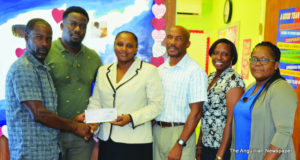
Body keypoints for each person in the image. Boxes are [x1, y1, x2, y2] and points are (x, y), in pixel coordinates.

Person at [5, 18, 92, 160]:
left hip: (48, 151)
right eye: (39, 38)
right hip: (31, 154)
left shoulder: (42, 69)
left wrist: (73, 121)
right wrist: (75, 127)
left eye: (48, 39)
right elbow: (39, 113)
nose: (44, 44)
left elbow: (48, 113)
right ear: (27, 37)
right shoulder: (24, 68)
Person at [85, 31, 163, 160]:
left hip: (135, 142)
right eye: (120, 44)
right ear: (114, 46)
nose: (124, 49)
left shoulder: (149, 71)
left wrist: (131, 118)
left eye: (129, 46)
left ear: (136, 49)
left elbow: (156, 106)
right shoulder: (103, 71)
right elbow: (96, 101)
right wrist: (93, 121)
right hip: (107, 139)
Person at [45, 6, 102, 160]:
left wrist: (97, 119)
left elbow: (102, 93)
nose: (77, 29)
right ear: (62, 26)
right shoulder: (45, 53)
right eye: (72, 24)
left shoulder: (93, 58)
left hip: (82, 136)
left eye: (82, 26)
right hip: (51, 133)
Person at [231, 41, 298, 160]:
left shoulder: (281, 89)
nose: (257, 64)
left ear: (276, 64)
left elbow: (283, 132)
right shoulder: (250, 87)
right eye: (254, 59)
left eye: (264, 60)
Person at [153, 25, 208, 160]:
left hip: (180, 134)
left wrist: (180, 144)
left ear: (187, 44)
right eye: (170, 37)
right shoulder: (160, 70)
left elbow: (196, 113)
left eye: (178, 39)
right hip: (157, 131)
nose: (172, 42)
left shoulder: (195, 72)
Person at [196, 39, 245, 160]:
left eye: (224, 54)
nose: (219, 57)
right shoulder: (211, 77)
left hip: (222, 148)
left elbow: (231, 121)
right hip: (207, 144)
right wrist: (199, 144)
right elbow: (206, 114)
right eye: (216, 53)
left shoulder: (233, 80)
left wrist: (220, 155)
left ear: (232, 58)